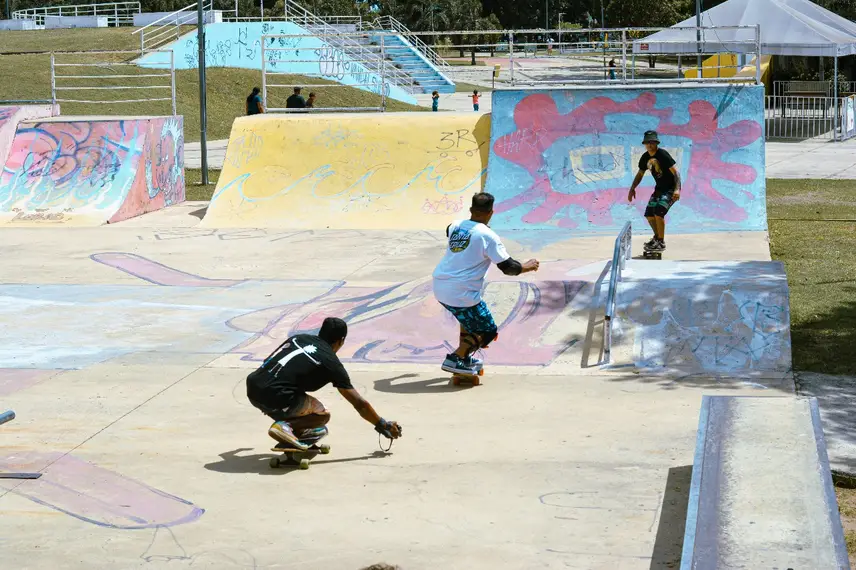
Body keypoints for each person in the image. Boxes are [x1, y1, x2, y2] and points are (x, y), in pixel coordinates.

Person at [246, 317, 402, 451]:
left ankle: (294, 430)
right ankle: (286, 427)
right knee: (322, 415)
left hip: (253, 386)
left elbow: (271, 362)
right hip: (277, 395)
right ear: (341, 341)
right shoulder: (331, 363)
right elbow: (359, 404)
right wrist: (382, 424)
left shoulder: (297, 338)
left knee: (297, 407)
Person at [432, 193, 540, 374]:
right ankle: (456, 358)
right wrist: (526, 267)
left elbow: (449, 230)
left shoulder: (455, 226)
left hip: (440, 286)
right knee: (488, 331)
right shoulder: (488, 236)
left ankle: (465, 357)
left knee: (467, 320)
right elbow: (509, 267)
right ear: (491, 212)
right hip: (461, 292)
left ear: (471, 210)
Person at [628, 130, 681, 252]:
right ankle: (657, 238)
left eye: (652, 142)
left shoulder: (663, 155)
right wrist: (632, 188)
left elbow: (676, 173)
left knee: (659, 212)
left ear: (656, 143)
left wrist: (677, 190)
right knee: (649, 214)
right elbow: (640, 174)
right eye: (647, 143)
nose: (650, 145)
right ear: (645, 144)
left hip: (671, 189)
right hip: (659, 189)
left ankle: (661, 242)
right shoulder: (645, 157)